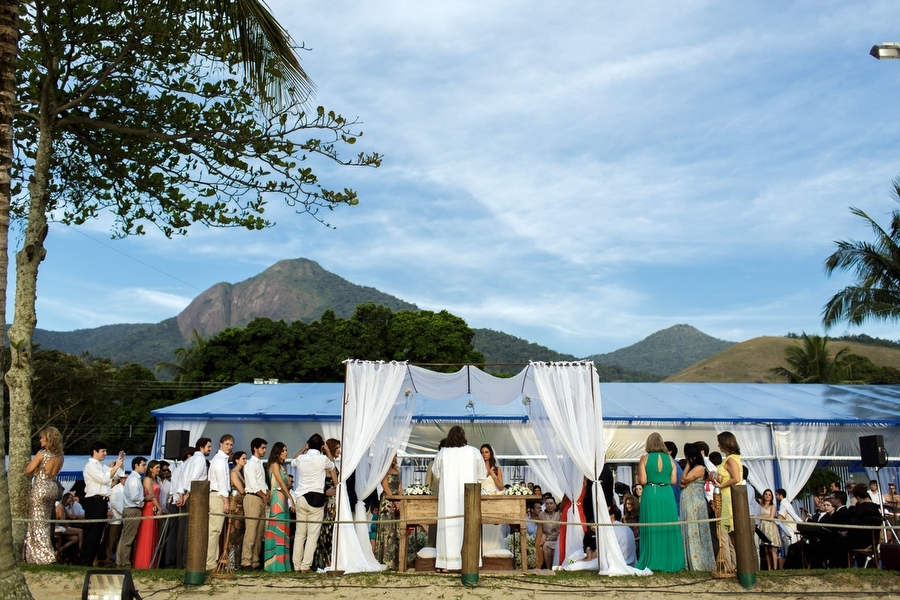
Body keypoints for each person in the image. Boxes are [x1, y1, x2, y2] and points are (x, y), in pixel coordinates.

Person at [433, 425, 487, 572]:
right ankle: (469, 563)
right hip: (468, 498)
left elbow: (436, 474)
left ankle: (447, 565)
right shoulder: (474, 451)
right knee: (468, 527)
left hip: (448, 500)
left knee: (448, 528)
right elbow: (482, 475)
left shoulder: (442, 453)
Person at [635, 432, 684, 572]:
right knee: (668, 526)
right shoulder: (670, 459)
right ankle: (669, 560)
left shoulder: (644, 458)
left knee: (651, 526)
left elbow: (643, 481)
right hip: (666, 493)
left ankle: (651, 559)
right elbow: (674, 481)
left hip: (651, 492)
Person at [290, 433, 337, 572]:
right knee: (312, 535)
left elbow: (293, 460)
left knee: (300, 534)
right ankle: (305, 565)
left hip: (301, 497)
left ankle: (296, 565)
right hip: (316, 498)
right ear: (321, 446)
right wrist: (327, 450)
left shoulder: (302, 458)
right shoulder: (323, 459)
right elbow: (332, 466)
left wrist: (304, 448)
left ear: (309, 445)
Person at [81, 441, 125, 566]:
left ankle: (91, 560)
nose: (105, 454)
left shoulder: (102, 466)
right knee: (92, 533)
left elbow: (118, 474)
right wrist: (116, 466)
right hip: (94, 501)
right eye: (102, 451)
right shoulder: (90, 466)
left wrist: (120, 462)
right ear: (95, 452)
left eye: (105, 451)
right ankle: (84, 560)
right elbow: (105, 479)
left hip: (103, 501)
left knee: (99, 534)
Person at [24, 426, 64, 564]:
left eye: (43, 438)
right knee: (45, 521)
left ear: (49, 440)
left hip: (41, 486)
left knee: (36, 522)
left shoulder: (42, 453)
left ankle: (45, 555)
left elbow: (28, 469)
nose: (40, 440)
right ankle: (37, 554)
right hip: (53, 487)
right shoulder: (60, 457)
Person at [176, 438, 211, 569]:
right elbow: (194, 479)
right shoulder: (200, 459)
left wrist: (181, 495)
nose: (210, 449)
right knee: (193, 530)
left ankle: (182, 561)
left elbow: (181, 479)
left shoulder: (188, 461)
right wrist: (186, 495)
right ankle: (188, 561)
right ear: (202, 447)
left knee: (184, 530)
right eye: (208, 446)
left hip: (186, 495)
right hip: (195, 496)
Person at [679, 442, 714, 571]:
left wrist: (688, 464)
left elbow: (684, 479)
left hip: (695, 502)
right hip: (689, 501)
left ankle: (699, 562)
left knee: (695, 530)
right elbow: (682, 483)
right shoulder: (696, 467)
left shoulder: (700, 467)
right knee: (688, 529)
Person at [712, 430, 742, 573]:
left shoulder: (731, 460)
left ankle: (729, 566)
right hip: (726, 496)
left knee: (723, 534)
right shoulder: (733, 458)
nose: (718, 445)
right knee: (728, 537)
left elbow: (736, 478)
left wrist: (721, 485)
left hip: (728, 499)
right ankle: (733, 565)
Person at [264, 442, 294, 572]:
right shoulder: (274, 465)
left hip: (283, 498)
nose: (286, 453)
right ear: (277, 452)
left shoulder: (283, 467)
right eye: (283, 450)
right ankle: (274, 563)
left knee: (284, 530)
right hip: (278, 498)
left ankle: (283, 562)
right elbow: (281, 483)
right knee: (278, 529)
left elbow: (289, 483)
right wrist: (291, 498)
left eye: (286, 450)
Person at [312, 438, 341, 571]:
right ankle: (325, 560)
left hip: (334, 501)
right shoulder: (324, 463)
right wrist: (325, 492)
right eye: (337, 448)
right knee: (326, 531)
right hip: (327, 502)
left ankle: (331, 559)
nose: (339, 451)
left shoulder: (331, 463)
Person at [207, 434, 234, 570]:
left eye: (231, 445)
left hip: (219, 495)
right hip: (218, 496)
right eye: (227, 444)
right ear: (221, 444)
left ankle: (212, 560)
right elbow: (221, 482)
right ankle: (210, 562)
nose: (229, 447)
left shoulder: (222, 459)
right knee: (214, 530)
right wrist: (225, 501)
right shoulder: (219, 460)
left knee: (216, 531)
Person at [241, 437, 268, 570]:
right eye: (262, 448)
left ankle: (255, 560)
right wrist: (263, 495)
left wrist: (266, 494)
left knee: (259, 531)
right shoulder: (250, 464)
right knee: (251, 530)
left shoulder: (260, 464)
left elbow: (262, 483)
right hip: (253, 497)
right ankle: (246, 560)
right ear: (255, 449)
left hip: (260, 497)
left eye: (265, 448)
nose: (264, 450)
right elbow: (253, 484)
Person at [117, 457, 147, 568]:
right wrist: (144, 499)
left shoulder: (134, 478)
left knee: (124, 537)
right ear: (136, 465)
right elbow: (135, 497)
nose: (145, 467)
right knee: (128, 538)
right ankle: (125, 563)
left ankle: (120, 562)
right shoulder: (134, 479)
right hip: (132, 509)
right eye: (143, 465)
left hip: (131, 509)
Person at [134, 460, 164, 569]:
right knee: (147, 534)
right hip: (149, 508)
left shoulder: (156, 480)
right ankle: (143, 563)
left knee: (154, 533)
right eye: (157, 467)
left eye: (159, 467)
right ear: (151, 469)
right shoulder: (147, 479)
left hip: (156, 507)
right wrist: (160, 508)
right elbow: (151, 495)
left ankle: (151, 562)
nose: (158, 469)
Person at [375, 454, 402, 569]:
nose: (395, 459)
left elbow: (400, 486)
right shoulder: (384, 470)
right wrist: (394, 500)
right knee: (387, 530)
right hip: (387, 502)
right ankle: (385, 560)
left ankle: (395, 560)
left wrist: (401, 499)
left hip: (396, 501)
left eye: (396, 457)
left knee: (396, 530)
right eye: (393, 456)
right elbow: (385, 487)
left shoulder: (397, 470)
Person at [479, 443, 505, 552]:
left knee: (493, 527)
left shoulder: (497, 469)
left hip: (493, 499)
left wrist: (493, 476)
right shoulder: (477, 468)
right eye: (482, 452)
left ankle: (493, 551)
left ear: (490, 453)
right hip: (480, 500)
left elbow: (501, 486)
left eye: (486, 452)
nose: (484, 454)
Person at [228, 450, 248, 569]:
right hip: (236, 506)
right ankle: (232, 561)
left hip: (242, 505)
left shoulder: (241, 473)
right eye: (243, 458)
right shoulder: (234, 473)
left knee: (240, 533)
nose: (245, 461)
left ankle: (237, 561)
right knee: (234, 533)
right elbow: (241, 490)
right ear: (237, 460)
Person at [424, 438, 445, 547]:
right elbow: (427, 483)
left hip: (448, 501)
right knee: (433, 526)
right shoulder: (432, 464)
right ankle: (431, 547)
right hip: (435, 499)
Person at [104, 470, 127, 566]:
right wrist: (123, 512)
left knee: (122, 541)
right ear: (121, 479)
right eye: (125, 478)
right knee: (112, 541)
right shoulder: (115, 489)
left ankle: (120, 560)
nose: (126, 480)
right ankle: (108, 560)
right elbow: (113, 503)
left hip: (125, 518)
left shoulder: (128, 489)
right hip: (116, 518)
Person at [55, 492, 83, 562]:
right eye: (69, 498)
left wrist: (71, 506)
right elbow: (62, 520)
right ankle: (81, 551)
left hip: (63, 527)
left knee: (75, 538)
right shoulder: (60, 506)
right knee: (80, 531)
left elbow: (73, 517)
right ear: (65, 498)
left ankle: (59, 551)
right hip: (59, 527)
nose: (71, 499)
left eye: (71, 498)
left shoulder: (64, 507)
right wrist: (68, 527)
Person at [535, 493, 561, 568]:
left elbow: (559, 531)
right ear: (545, 505)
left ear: (555, 505)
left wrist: (549, 538)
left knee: (554, 549)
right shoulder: (541, 515)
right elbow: (540, 528)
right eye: (547, 504)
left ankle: (555, 567)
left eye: (551, 503)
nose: (549, 505)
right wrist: (543, 537)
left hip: (556, 539)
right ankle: (548, 568)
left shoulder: (559, 514)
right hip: (545, 540)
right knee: (546, 547)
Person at [758, 488, 781, 570]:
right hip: (763, 527)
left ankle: (775, 567)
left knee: (772, 549)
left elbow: (771, 517)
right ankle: (769, 567)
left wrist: (763, 517)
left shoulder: (773, 506)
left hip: (770, 528)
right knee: (766, 549)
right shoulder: (760, 505)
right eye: (766, 494)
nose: (767, 496)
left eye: (769, 495)